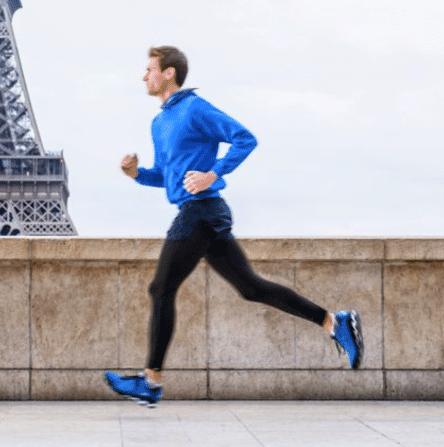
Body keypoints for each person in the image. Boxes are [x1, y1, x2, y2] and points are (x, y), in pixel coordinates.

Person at [104, 46, 363, 408]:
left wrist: (215, 173)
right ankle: (334, 323)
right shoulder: (158, 123)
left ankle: (151, 381)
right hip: (202, 211)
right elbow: (166, 176)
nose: (142, 75)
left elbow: (245, 138)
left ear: (169, 73)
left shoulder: (195, 108)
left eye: (149, 69)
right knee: (251, 288)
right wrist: (136, 174)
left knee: (161, 288)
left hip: (201, 210)